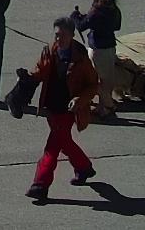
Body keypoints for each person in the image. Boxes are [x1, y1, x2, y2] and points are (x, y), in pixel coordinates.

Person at [25, 16, 99, 200]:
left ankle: (40, 184)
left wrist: (79, 100)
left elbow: (92, 84)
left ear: (72, 35)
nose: (59, 39)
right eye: (56, 35)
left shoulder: (81, 57)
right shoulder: (50, 50)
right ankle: (84, 167)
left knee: (52, 147)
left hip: (68, 109)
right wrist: (27, 80)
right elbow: (40, 70)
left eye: (63, 35)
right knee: (63, 141)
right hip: (51, 106)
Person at [72, 0, 122, 117]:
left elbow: (82, 26)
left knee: (95, 81)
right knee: (107, 81)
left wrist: (75, 17)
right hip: (110, 47)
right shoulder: (114, 9)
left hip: (98, 49)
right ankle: (102, 108)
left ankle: (109, 106)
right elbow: (117, 26)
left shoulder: (97, 11)